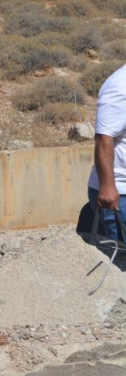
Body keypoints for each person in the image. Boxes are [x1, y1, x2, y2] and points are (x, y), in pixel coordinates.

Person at [88, 64, 126, 243]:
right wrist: (108, 186)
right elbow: (104, 138)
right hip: (120, 194)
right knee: (120, 263)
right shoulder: (120, 86)